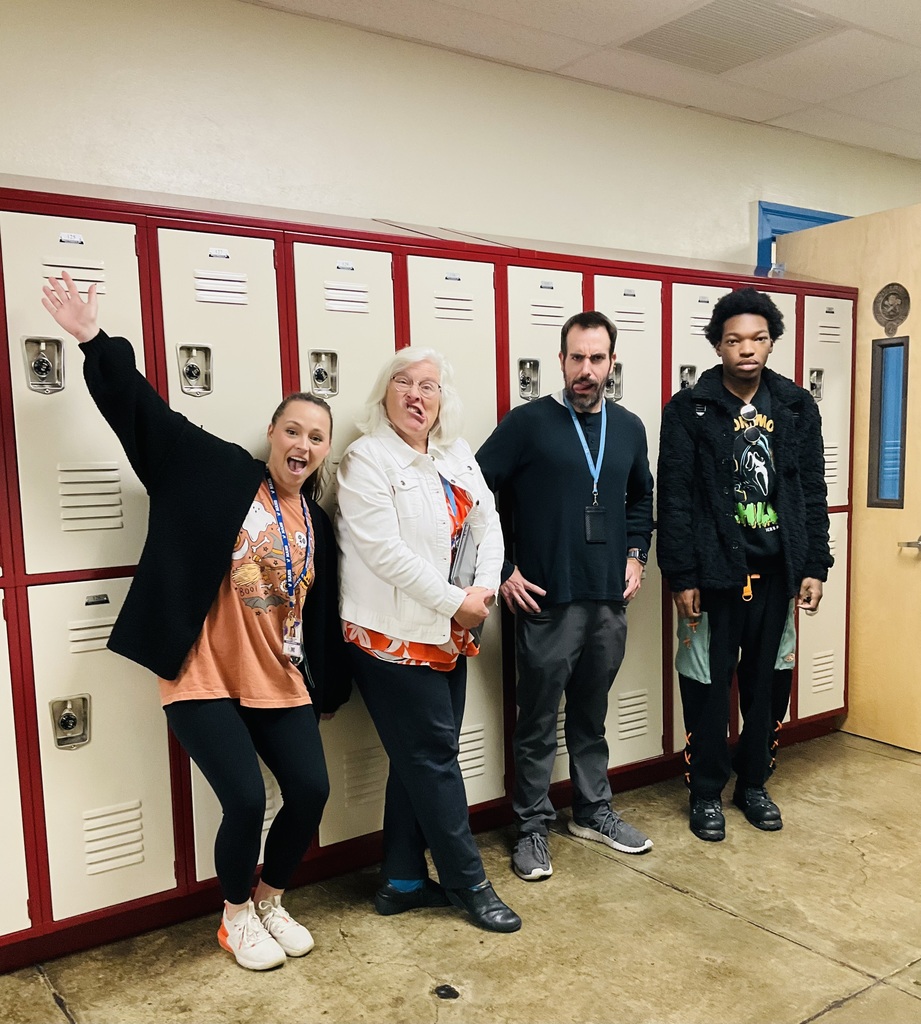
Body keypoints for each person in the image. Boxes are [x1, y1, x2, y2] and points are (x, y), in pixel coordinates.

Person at [42, 271, 350, 970]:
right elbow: (143, 415)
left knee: (309, 791)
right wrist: (95, 341)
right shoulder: (213, 470)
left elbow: (317, 612)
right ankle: (235, 915)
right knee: (244, 800)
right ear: (271, 432)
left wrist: (322, 691)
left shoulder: (317, 521)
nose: (301, 444)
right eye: (292, 429)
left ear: (325, 450)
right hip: (203, 673)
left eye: (316, 437)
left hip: (276, 675)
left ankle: (271, 897)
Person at [336, 347, 521, 933]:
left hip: (453, 630)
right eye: (404, 383)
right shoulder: (365, 460)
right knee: (435, 760)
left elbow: (488, 522)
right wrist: (457, 602)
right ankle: (470, 883)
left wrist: (484, 592)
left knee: (419, 759)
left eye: (430, 386)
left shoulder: (455, 453)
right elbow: (383, 553)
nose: (417, 395)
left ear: (444, 400)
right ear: (384, 394)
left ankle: (402, 881)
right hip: (391, 638)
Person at [476, 311, 655, 883]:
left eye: (596, 359)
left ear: (612, 363)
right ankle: (531, 826)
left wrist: (635, 554)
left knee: (591, 711)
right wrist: (502, 569)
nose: (586, 369)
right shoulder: (528, 423)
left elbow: (639, 502)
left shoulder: (628, 428)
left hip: (608, 598)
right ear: (560, 360)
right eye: (576, 357)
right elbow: (475, 494)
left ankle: (593, 809)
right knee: (535, 721)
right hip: (546, 601)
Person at [656, 287, 833, 842]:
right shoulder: (689, 410)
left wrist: (814, 564)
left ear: (772, 343)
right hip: (714, 576)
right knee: (707, 687)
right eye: (734, 340)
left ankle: (754, 784)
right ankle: (706, 792)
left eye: (758, 338)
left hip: (778, 572)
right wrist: (681, 574)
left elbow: (811, 491)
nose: (747, 349)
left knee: (768, 685)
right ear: (717, 346)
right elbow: (675, 496)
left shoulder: (796, 406)